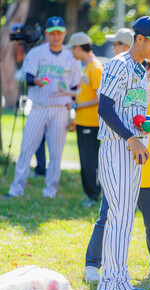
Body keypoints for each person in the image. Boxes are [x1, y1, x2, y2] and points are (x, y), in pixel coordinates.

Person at [95, 15, 150, 290]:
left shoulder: (141, 71)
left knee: (123, 217)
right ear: (139, 38)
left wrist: (147, 121)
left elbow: (129, 111)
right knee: (120, 216)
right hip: (118, 146)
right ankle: (117, 285)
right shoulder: (119, 64)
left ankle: (111, 281)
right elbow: (104, 107)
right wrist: (131, 138)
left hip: (134, 149)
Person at [84, 59, 150, 282]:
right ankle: (92, 266)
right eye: (140, 77)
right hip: (122, 172)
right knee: (106, 218)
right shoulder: (125, 102)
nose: (145, 81)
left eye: (148, 77)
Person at [5, 16, 81, 199]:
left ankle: (50, 191)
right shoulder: (36, 53)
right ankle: (16, 189)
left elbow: (74, 87)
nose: (56, 36)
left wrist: (73, 113)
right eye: (52, 33)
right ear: (46, 33)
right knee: (26, 149)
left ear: (64, 34)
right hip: (39, 106)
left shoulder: (72, 56)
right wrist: (36, 80)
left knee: (56, 152)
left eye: (59, 33)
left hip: (61, 109)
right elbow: (28, 77)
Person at [52, 32, 103, 207]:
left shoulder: (95, 68)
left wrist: (75, 107)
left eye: (72, 49)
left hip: (91, 123)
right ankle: (90, 194)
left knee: (90, 162)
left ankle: (93, 195)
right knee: (86, 160)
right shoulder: (87, 66)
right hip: (83, 122)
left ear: (78, 48)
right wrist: (68, 94)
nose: (71, 53)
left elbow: (100, 98)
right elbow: (84, 94)